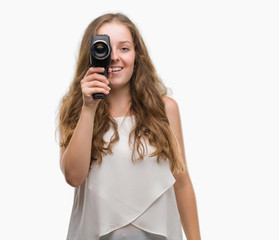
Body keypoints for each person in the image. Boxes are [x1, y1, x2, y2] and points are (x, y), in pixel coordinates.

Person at [58, 13, 201, 240]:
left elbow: (181, 183)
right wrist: (89, 107)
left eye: (124, 48)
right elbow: (73, 177)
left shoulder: (165, 110)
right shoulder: (78, 109)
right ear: (92, 55)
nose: (114, 57)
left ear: (137, 55)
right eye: (104, 48)